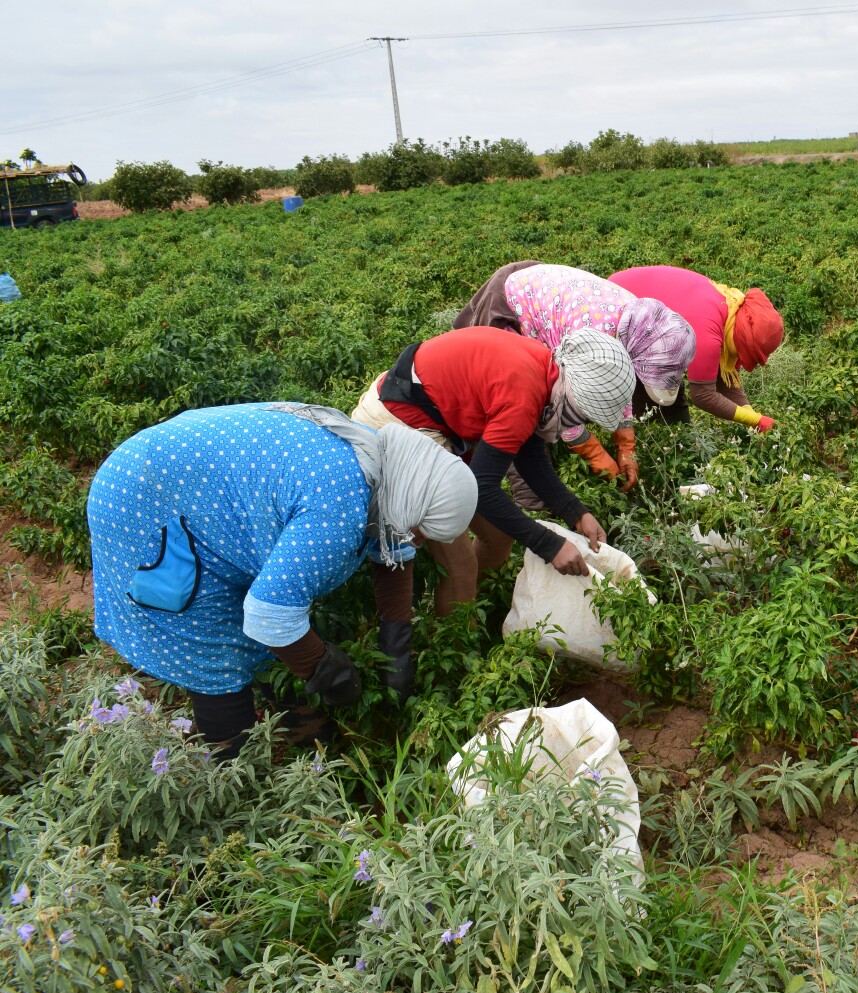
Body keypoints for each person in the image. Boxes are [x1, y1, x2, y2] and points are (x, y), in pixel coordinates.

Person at [88, 402, 479, 757]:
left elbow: (394, 552)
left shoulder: (387, 462)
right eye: (422, 530)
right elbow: (269, 616)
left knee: (272, 624)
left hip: (188, 480)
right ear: (413, 499)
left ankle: (299, 732)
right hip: (144, 498)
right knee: (213, 648)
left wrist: (397, 643)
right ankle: (233, 775)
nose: (418, 541)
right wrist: (326, 669)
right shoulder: (339, 503)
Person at [350, 325, 635, 615]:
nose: (577, 424)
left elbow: (529, 454)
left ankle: (470, 605)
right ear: (573, 393)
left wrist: (576, 512)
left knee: (498, 538)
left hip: (438, 422)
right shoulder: (523, 394)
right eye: (582, 415)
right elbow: (482, 489)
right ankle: (455, 640)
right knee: (459, 564)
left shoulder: (546, 370)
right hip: (398, 423)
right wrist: (549, 545)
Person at [456, 261, 695, 490]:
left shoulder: (641, 324)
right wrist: (594, 452)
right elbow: (561, 398)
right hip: (511, 302)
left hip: (547, 290)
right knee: (524, 411)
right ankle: (529, 498)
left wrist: (626, 443)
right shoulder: (593, 334)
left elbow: (619, 382)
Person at [608, 265, 785, 433]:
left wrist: (755, 419)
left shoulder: (732, 316)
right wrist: (755, 420)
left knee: (669, 396)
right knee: (648, 402)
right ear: (744, 338)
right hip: (616, 305)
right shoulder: (708, 329)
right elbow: (702, 395)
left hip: (650, 318)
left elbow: (727, 384)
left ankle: (672, 444)